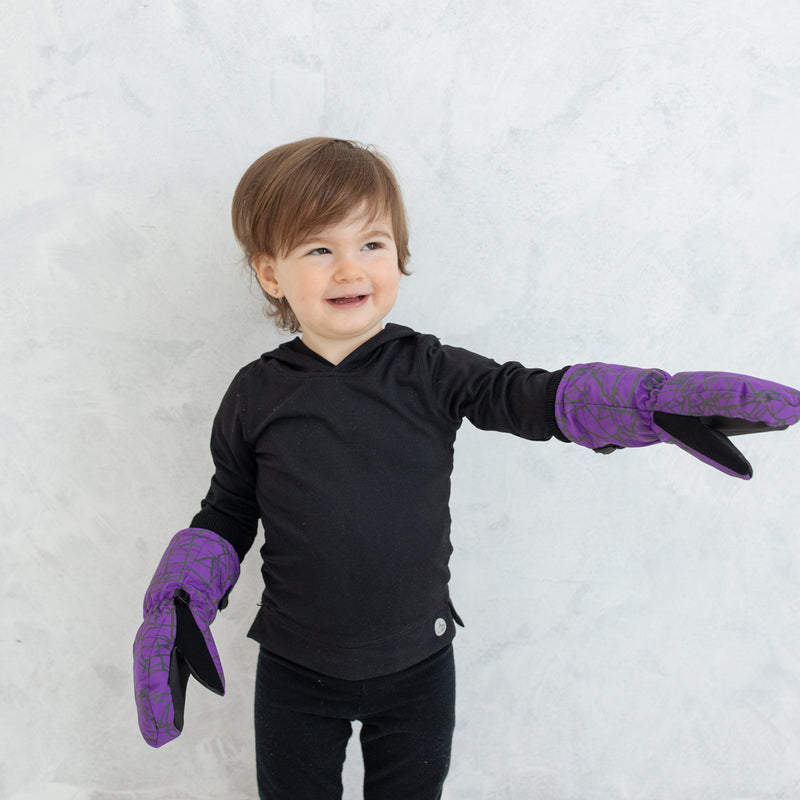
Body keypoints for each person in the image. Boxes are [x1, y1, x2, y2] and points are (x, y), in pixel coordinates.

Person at [133, 137, 800, 799]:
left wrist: (649, 404)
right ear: (272, 273)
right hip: (295, 672)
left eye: (372, 243)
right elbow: (226, 509)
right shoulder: (255, 393)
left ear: (399, 253)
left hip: (418, 671)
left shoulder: (431, 369)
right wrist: (179, 598)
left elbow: (531, 396)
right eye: (319, 249)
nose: (349, 269)